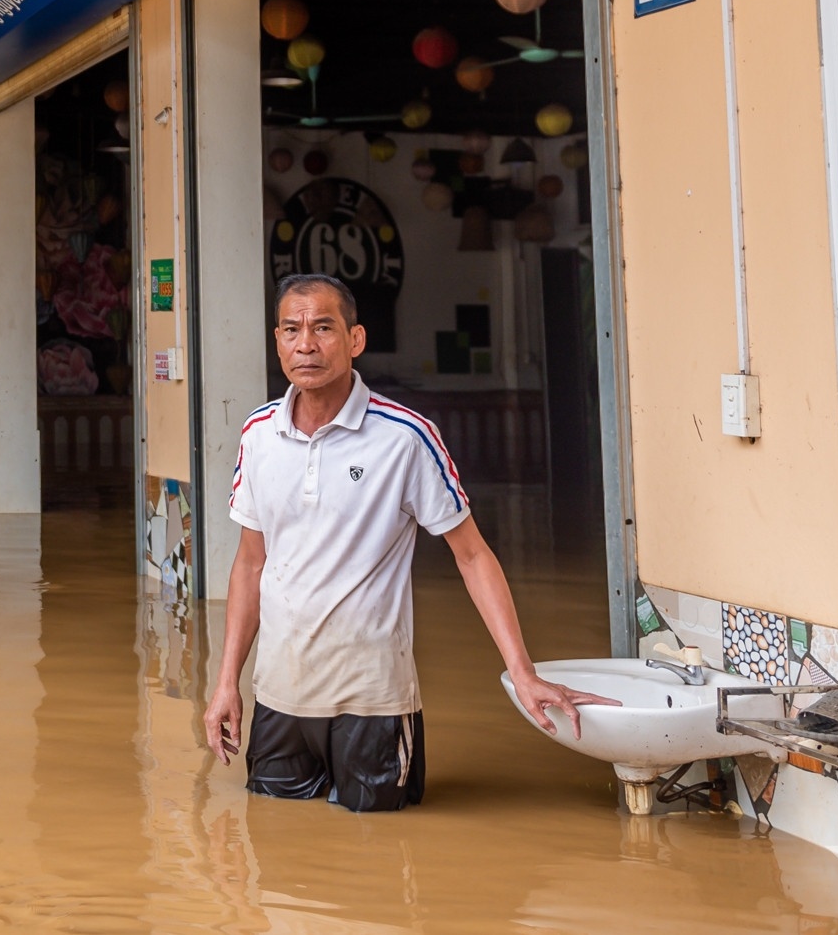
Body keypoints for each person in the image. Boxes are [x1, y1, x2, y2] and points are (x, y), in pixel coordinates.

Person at [202, 272, 616, 812]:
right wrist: (227, 683)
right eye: (291, 330)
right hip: (279, 695)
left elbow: (472, 555)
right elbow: (250, 564)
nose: (306, 344)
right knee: (275, 839)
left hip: (373, 701)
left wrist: (523, 671)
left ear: (355, 339)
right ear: (277, 340)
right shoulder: (258, 434)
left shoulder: (405, 436)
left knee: (381, 846)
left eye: (323, 328)